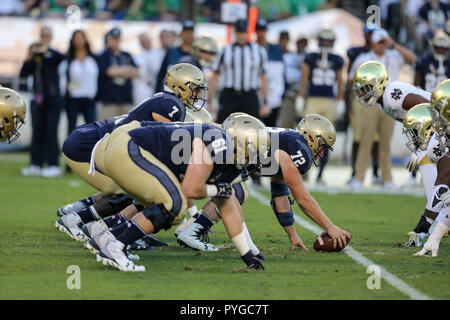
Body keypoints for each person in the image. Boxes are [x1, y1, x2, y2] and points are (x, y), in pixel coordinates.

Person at [92, 114, 269, 271]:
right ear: (240, 142)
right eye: (255, 151)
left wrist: (247, 254)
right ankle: (115, 247)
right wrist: (218, 189)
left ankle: (108, 238)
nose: (256, 159)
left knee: (163, 201)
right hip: (127, 147)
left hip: (127, 147)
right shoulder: (218, 143)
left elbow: (227, 206)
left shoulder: (228, 158)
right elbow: (191, 189)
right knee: (173, 205)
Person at [55, 63, 206, 243]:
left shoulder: (166, 100)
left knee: (142, 185)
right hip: (88, 145)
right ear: (180, 86)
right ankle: (76, 220)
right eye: (195, 89)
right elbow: (166, 145)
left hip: (97, 142)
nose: (197, 95)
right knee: (131, 188)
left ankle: (133, 232)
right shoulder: (171, 105)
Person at [176, 114, 351, 253]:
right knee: (238, 191)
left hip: (226, 144)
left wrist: (293, 235)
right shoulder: (299, 150)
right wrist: (330, 227)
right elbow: (303, 199)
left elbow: (280, 194)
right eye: (322, 146)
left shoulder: (288, 141)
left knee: (235, 190)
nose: (321, 153)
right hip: (227, 145)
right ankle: (192, 231)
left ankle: (188, 228)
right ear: (312, 139)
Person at [348, 28, 417, 189]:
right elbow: (352, 80)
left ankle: (387, 179)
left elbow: (412, 58)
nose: (381, 46)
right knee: (366, 140)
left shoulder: (393, 56)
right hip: (370, 104)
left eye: (383, 42)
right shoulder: (364, 58)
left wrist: (393, 44)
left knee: (385, 143)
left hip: (390, 104)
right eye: (379, 42)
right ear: (372, 43)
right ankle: (359, 178)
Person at [295, 26, 344, 185]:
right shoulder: (310, 57)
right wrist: (301, 96)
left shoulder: (337, 59)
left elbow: (339, 80)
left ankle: (320, 174)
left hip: (328, 101)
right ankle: (304, 171)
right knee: (306, 135)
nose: (326, 43)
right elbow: (305, 77)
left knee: (327, 138)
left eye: (329, 40)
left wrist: (340, 98)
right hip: (313, 99)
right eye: (324, 40)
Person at [20, 26, 65, 178]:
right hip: (37, 100)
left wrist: (47, 51)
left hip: (53, 99)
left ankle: (53, 164)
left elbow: (62, 57)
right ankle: (36, 164)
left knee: (51, 132)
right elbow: (24, 73)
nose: (45, 38)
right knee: (37, 132)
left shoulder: (53, 56)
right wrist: (30, 55)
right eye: (43, 35)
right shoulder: (35, 57)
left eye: (48, 35)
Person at [411, 79, 450, 252]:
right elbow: (444, 189)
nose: (435, 116)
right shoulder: (438, 141)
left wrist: (423, 226)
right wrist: (435, 236)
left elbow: (442, 181)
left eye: (438, 110)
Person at [208, 18, 270, 123]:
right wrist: (210, 101)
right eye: (239, 32)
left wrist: (265, 102)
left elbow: (263, 77)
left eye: (243, 32)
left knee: (253, 129)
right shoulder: (225, 50)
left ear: (247, 32)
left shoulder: (259, 51)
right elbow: (214, 76)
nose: (241, 35)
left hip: (250, 95)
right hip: (229, 95)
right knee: (224, 127)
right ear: (235, 33)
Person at [346, 25, 380, 185]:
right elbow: (350, 80)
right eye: (370, 34)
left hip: (376, 100)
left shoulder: (384, 56)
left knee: (375, 138)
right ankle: (355, 172)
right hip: (360, 100)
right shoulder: (360, 56)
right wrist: (347, 102)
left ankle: (375, 172)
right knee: (358, 137)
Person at [97, 27, 139, 120]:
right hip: (109, 101)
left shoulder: (126, 55)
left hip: (126, 99)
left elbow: (136, 71)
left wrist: (118, 71)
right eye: (113, 39)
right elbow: (109, 72)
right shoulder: (103, 55)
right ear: (108, 40)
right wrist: (127, 69)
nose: (115, 41)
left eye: (117, 39)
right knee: (108, 131)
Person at [64, 29, 99, 136]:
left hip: (89, 98)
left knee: (92, 128)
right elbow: (65, 77)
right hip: (73, 99)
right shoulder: (68, 58)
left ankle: (90, 152)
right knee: (71, 127)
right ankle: (69, 151)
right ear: (72, 41)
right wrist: (69, 90)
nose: (79, 41)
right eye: (76, 38)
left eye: (81, 38)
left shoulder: (93, 58)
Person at [255, 18, 284, 127]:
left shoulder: (275, 50)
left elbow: (279, 75)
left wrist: (280, 94)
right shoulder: (252, 49)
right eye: (259, 30)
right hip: (256, 97)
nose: (261, 33)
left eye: (263, 30)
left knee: (272, 131)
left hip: (273, 97)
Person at [155, 20, 197, 92]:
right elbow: (161, 75)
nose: (188, 34)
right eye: (186, 31)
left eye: (190, 32)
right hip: (170, 94)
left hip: (190, 97)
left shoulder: (197, 54)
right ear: (181, 34)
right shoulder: (171, 51)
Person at [279, 33, 307, 129]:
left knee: (302, 127)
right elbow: (289, 77)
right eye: (300, 43)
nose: (302, 45)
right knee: (286, 124)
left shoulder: (309, 58)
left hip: (303, 95)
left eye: (304, 43)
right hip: (290, 94)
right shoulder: (290, 57)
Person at [133, 33, 158, 105]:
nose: (146, 43)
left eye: (147, 40)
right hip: (143, 89)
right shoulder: (137, 57)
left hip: (156, 86)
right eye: (143, 41)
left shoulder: (159, 54)